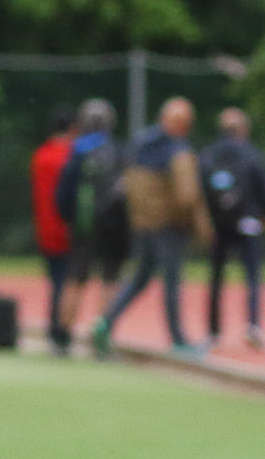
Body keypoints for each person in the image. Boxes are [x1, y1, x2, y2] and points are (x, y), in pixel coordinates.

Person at [92, 96, 211, 360]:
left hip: (141, 223)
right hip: (168, 225)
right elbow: (187, 194)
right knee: (171, 281)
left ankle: (105, 322)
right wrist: (196, 225)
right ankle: (178, 340)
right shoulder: (178, 149)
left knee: (139, 278)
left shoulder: (140, 142)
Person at [199, 106, 265, 351]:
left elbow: (200, 190)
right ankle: (253, 325)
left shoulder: (208, 155)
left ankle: (213, 331)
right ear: (244, 129)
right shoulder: (252, 154)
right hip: (248, 222)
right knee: (252, 275)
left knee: (216, 277)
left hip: (218, 225)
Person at [54, 99, 127, 349]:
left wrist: (69, 218)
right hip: (114, 225)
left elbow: (64, 192)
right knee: (110, 279)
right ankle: (102, 335)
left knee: (75, 277)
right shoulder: (118, 150)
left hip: (85, 225)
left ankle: (63, 336)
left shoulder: (78, 151)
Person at [28, 107, 80, 354]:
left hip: (45, 227)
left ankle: (54, 329)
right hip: (66, 227)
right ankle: (59, 332)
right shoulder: (70, 156)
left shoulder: (40, 155)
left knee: (56, 281)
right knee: (67, 282)